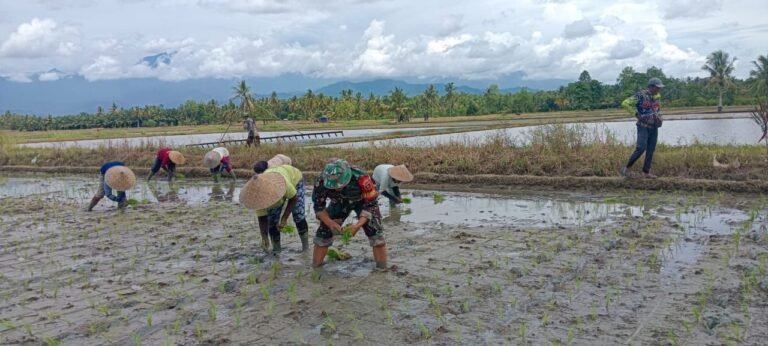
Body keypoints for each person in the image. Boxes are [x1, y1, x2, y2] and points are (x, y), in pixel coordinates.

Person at [311, 159, 387, 270]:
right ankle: (316, 268)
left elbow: (371, 204)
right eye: (334, 186)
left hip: (362, 201)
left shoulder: (361, 177)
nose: (337, 188)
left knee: (375, 232)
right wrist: (330, 223)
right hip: (339, 202)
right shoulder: (321, 181)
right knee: (323, 231)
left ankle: (382, 269)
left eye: (340, 184)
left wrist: (357, 225)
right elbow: (318, 207)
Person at [239, 165, 310, 254]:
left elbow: (293, 199)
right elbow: (262, 218)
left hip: (295, 179)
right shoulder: (256, 199)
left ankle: (305, 248)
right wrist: (264, 237)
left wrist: (284, 218)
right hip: (278, 184)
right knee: (272, 221)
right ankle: (277, 250)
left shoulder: (281, 183)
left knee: (298, 215)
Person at [621, 77, 664, 179]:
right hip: (643, 126)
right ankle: (626, 169)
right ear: (651, 87)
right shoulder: (640, 95)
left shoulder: (657, 96)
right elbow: (625, 103)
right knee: (641, 148)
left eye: (659, 88)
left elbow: (658, 108)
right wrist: (636, 114)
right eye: (657, 87)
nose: (659, 90)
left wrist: (659, 117)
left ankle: (646, 172)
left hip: (654, 126)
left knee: (651, 149)